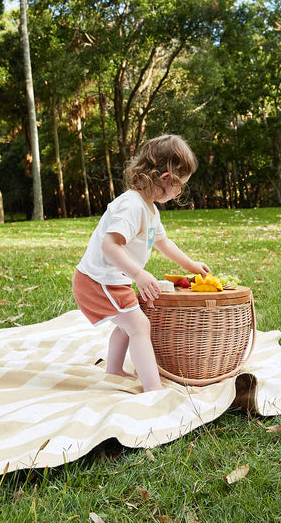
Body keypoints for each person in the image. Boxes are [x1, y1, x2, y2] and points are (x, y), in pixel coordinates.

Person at [72, 134, 210, 392]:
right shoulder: (131, 206)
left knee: (129, 324)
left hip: (111, 280)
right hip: (97, 281)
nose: (179, 192)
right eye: (181, 186)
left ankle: (113, 369)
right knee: (139, 325)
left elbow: (163, 243)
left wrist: (191, 265)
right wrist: (139, 274)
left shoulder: (150, 209)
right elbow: (110, 245)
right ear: (167, 179)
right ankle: (153, 389)